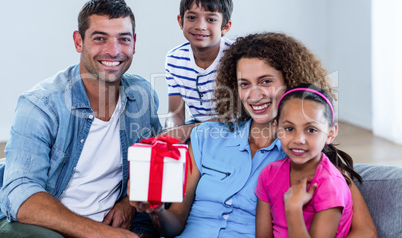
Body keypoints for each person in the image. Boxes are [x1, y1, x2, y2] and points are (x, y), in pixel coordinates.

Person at [132, 32, 378, 238]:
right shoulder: (205, 137)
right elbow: (175, 223)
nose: (254, 94)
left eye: (266, 81)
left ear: (290, 83)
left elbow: (365, 231)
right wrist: (155, 210)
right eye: (244, 84)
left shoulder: (305, 153)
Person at [0, 0, 162, 237]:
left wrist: (128, 202)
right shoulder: (41, 105)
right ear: (79, 41)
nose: (113, 51)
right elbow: (20, 193)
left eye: (123, 39)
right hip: (46, 227)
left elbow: (153, 164)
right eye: (100, 38)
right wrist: (102, 234)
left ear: (134, 43)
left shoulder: (142, 96)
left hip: (115, 224)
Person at [255, 84, 363, 238]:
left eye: (311, 130)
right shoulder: (268, 173)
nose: (299, 139)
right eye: (289, 128)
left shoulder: (331, 185)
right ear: (277, 128)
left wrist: (293, 210)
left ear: (330, 134)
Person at [163, 0, 233, 142]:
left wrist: (187, 130)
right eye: (192, 17)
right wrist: (171, 131)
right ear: (181, 21)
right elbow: (175, 114)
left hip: (235, 131)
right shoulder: (174, 59)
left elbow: (236, 117)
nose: (200, 26)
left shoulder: (236, 56)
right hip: (199, 130)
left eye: (211, 19)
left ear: (225, 26)